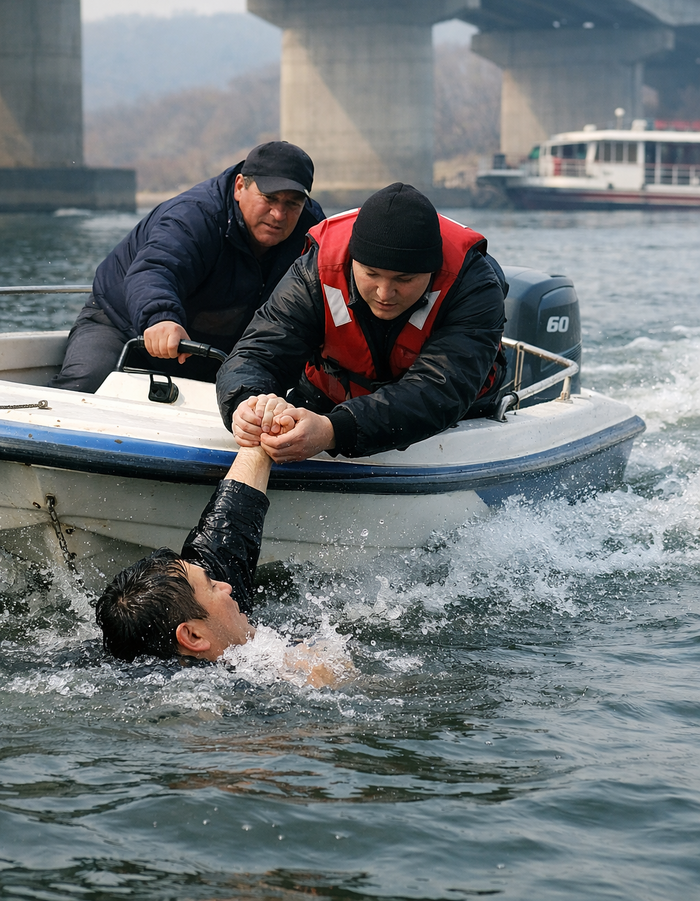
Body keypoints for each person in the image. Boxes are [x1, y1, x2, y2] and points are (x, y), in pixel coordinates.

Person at [217, 183, 507, 462]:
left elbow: (440, 389)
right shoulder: (316, 271)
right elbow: (258, 353)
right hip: (325, 401)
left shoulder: (473, 286)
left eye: (404, 279)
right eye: (371, 274)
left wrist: (333, 431)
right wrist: (247, 404)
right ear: (352, 260)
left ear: (433, 271)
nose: (384, 293)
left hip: (451, 418)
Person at [96, 402, 348, 685]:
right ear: (193, 636)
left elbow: (231, 518)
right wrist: (327, 676)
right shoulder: (226, 698)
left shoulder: (193, 615)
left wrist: (265, 422)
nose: (226, 586)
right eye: (213, 586)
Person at [53, 141, 324, 392]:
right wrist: (161, 319)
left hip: (227, 349)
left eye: (292, 203)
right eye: (269, 198)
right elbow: (155, 269)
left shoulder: (314, 232)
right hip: (120, 323)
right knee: (84, 387)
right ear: (240, 186)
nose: (279, 214)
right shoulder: (195, 216)